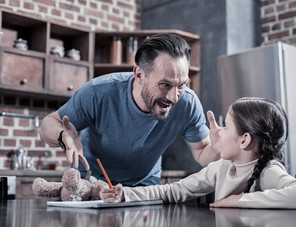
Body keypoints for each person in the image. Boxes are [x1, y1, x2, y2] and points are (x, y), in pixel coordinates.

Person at [39, 34, 220, 186]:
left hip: (144, 187)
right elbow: (49, 123)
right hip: (91, 182)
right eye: (165, 84)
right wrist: (64, 137)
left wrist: (221, 147)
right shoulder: (98, 92)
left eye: (182, 85)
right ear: (139, 74)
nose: (174, 97)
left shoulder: (187, 103)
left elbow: (203, 151)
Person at [100, 97, 296, 209]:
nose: (219, 132)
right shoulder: (221, 168)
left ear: (244, 140)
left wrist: (240, 200)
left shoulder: (268, 171)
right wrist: (126, 194)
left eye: (226, 126)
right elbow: (175, 191)